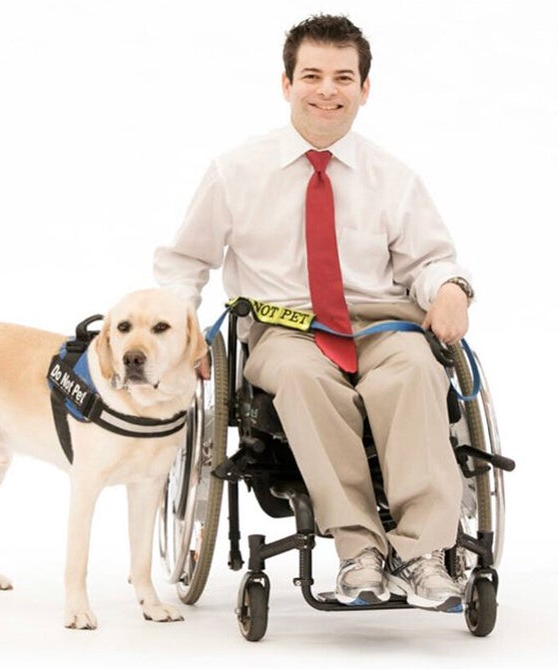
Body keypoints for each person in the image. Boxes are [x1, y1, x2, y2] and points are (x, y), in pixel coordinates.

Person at [154, 14, 472, 612]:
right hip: (284, 325)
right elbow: (183, 262)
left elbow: (429, 260)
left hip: (381, 320)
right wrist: (183, 329)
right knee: (303, 379)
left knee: (416, 370)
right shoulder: (235, 171)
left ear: (364, 89)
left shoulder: (393, 177)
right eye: (313, 75)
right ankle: (359, 552)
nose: (327, 90)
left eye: (343, 77)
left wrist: (450, 287)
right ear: (287, 83)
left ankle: (424, 554)